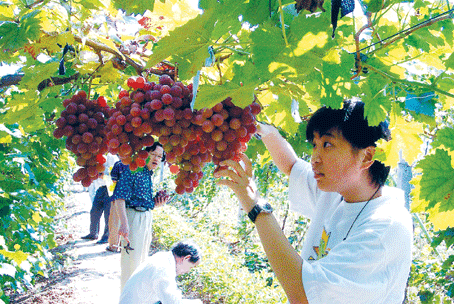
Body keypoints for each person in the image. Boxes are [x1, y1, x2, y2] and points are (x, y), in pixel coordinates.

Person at [214, 100, 413, 304]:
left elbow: (304, 296)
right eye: (315, 145)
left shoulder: (385, 228)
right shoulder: (337, 192)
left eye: (327, 144)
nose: (314, 158)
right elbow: (291, 166)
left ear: (366, 156)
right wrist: (262, 130)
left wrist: (255, 206)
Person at [112, 142, 170, 291]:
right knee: (131, 265)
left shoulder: (147, 173)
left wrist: (156, 203)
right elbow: (119, 198)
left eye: (160, 156)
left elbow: (142, 200)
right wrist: (124, 225)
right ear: (145, 154)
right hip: (133, 219)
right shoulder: (133, 169)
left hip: (145, 218)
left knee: (140, 264)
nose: (157, 159)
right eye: (154, 155)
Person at [119, 240, 203, 304]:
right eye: (191, 267)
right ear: (186, 259)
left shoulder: (163, 257)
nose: (188, 271)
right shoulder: (163, 270)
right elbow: (172, 302)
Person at [81, 170, 111, 243]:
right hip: (100, 189)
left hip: (109, 189)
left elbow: (117, 176)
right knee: (94, 212)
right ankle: (93, 233)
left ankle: (106, 237)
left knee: (108, 215)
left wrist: (104, 176)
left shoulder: (112, 159)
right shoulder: (94, 163)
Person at [106, 160, 129, 253]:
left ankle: (113, 246)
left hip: (119, 196)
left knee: (115, 221)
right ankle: (123, 245)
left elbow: (114, 180)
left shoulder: (119, 164)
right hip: (133, 199)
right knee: (127, 221)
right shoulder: (139, 164)